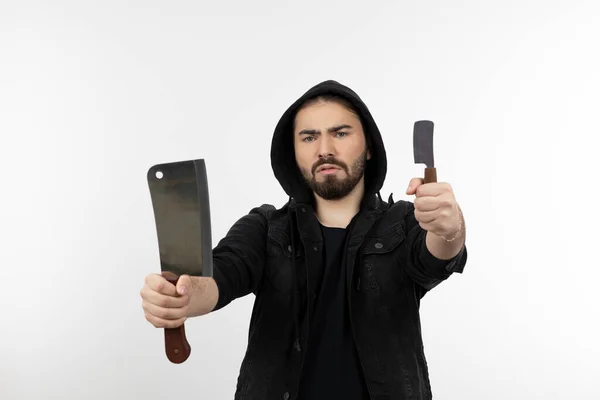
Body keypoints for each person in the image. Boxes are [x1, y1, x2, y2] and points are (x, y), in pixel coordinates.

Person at [140, 80, 468, 400]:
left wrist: (448, 226)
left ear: (369, 147)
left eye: (340, 133)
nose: (324, 149)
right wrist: (179, 297)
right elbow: (221, 275)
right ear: (294, 153)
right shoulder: (266, 227)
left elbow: (439, 253)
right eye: (309, 137)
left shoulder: (406, 222)